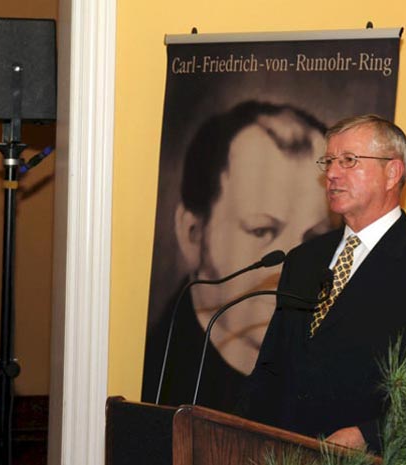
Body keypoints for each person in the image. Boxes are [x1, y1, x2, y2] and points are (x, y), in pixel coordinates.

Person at [237, 115, 406, 453]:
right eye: (329, 161)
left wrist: (368, 436)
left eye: (349, 160)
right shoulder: (303, 259)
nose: (332, 174)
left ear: (392, 173)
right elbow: (271, 368)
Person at [142, 100, 336, 411]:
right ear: (192, 233)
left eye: (315, 238)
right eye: (261, 230)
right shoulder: (155, 369)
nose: (294, 263)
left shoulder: (329, 367)